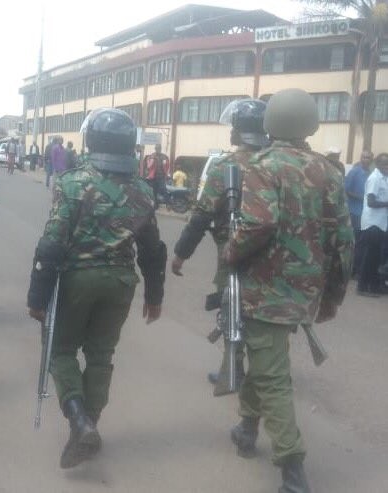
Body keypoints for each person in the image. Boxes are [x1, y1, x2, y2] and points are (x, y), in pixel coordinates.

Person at [224, 89, 353, 493]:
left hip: (266, 289)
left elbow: (259, 225)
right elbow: (343, 239)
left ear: (271, 124)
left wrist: (230, 252)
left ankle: (292, 466)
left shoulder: (264, 166)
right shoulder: (329, 172)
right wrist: (332, 296)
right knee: (264, 359)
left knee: (273, 375)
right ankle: (247, 429)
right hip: (306, 289)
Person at [27, 108, 166, 469]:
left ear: (91, 141)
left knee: (59, 350)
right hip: (121, 282)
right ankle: (89, 424)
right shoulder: (143, 190)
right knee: (101, 355)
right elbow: (153, 250)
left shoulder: (72, 182)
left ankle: (79, 420)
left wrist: (37, 297)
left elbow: (52, 244)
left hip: (77, 279)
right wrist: (155, 296)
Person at [172, 98, 269, 392]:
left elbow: (201, 217)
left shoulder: (226, 166)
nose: (230, 133)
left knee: (232, 309)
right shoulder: (275, 164)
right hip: (273, 252)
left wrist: (180, 254)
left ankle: (233, 372)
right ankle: (266, 372)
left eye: (233, 128)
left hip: (233, 251)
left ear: (239, 132)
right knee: (266, 312)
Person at [357, 153, 388, 297]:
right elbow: (371, 202)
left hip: (381, 223)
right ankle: (362, 286)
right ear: (377, 164)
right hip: (372, 223)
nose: (386, 166)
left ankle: (374, 286)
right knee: (369, 256)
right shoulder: (375, 178)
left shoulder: (384, 178)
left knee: (376, 257)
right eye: (383, 163)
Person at [345, 150, 373, 278]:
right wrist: (362, 198)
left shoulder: (371, 174)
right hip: (355, 211)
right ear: (360, 158)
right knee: (355, 241)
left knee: (362, 242)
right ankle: (351, 270)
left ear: (371, 160)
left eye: (368, 158)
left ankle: (356, 269)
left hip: (366, 213)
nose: (366, 160)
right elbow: (346, 190)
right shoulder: (354, 172)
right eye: (364, 157)